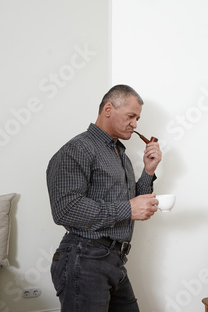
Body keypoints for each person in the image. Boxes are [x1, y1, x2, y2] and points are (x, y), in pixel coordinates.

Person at [46, 84, 162, 311]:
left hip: (114, 261)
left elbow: (132, 205)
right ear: (108, 109)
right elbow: (65, 209)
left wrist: (148, 171)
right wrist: (128, 209)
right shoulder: (77, 149)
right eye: (131, 116)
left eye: (137, 118)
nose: (135, 124)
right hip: (85, 258)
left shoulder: (122, 156)